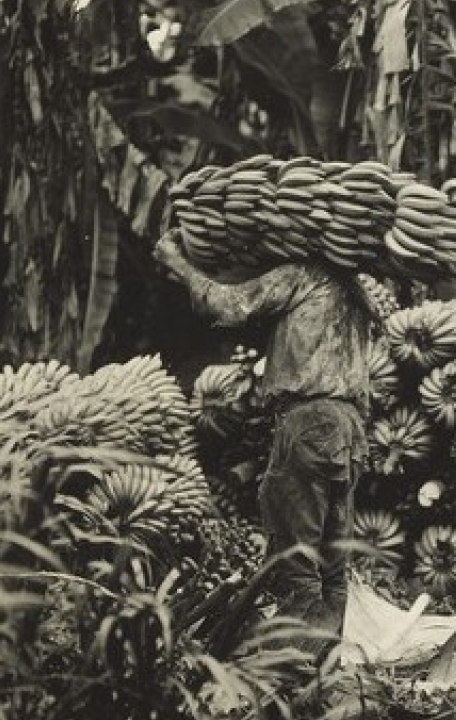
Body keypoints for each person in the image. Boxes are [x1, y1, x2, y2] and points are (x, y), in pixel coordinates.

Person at [155, 230, 376, 662]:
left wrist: (178, 263)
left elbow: (227, 306)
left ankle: (290, 667)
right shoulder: (354, 290)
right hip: (348, 426)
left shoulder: (301, 276)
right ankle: (321, 664)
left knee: (294, 554)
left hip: (309, 420)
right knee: (333, 559)